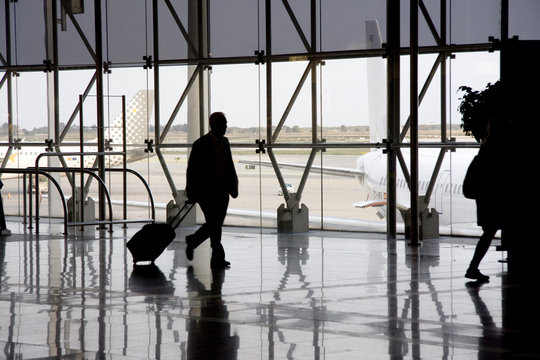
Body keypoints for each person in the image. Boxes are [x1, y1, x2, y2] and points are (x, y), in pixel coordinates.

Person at [185, 112, 238, 268]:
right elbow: (192, 171)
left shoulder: (225, 142)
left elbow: (229, 166)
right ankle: (217, 258)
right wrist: (192, 193)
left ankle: (194, 241)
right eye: (224, 124)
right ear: (215, 126)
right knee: (215, 224)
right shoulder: (200, 144)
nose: (226, 127)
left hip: (222, 191)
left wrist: (233, 186)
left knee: (215, 224)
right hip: (206, 192)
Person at [465, 114, 512, 282]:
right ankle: (472, 267)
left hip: (486, 200)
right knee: (489, 233)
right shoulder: (500, 147)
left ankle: (473, 267)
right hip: (496, 200)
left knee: (488, 233)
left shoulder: (486, 147)